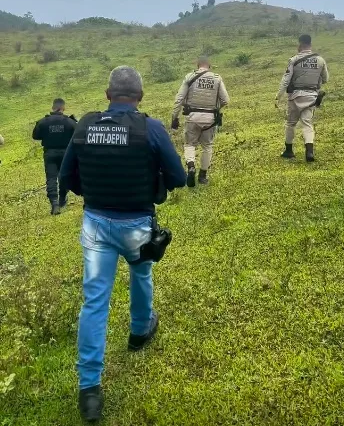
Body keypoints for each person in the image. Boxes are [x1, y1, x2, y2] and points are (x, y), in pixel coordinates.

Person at [59, 66, 186, 422]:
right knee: (141, 275)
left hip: (96, 224)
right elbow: (177, 178)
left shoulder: (84, 125)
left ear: (107, 95)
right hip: (136, 225)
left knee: (95, 301)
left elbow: (68, 176)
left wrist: (95, 193)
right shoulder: (151, 128)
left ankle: (89, 391)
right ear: (140, 97)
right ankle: (139, 331)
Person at [171, 56, 230, 187]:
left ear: (198, 65)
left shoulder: (189, 77)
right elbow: (226, 100)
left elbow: (179, 99)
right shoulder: (217, 78)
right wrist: (214, 109)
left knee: (189, 144)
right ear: (209, 66)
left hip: (192, 117)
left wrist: (174, 117)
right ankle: (203, 176)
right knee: (207, 146)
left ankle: (191, 166)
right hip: (210, 119)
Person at [275, 34, 329, 162]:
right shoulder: (320, 60)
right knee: (307, 124)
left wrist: (278, 97)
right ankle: (309, 152)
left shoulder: (293, 60)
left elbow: (285, 80)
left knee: (291, 123)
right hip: (311, 97)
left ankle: (289, 151)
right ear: (310, 44)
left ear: (300, 44)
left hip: (295, 97)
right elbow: (326, 79)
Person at [32, 98, 77, 215]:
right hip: (65, 154)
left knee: (51, 179)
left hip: (49, 154)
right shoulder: (70, 122)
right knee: (64, 177)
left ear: (53, 107)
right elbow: (77, 135)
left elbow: (35, 136)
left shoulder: (43, 122)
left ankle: (54, 204)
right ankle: (62, 198)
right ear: (63, 108)